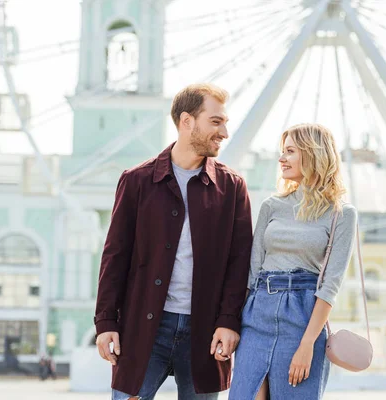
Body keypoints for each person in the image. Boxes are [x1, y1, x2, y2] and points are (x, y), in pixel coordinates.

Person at [94, 83, 253, 400]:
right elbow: (115, 255)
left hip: (206, 333)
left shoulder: (233, 187)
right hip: (142, 329)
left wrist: (228, 322)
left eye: (225, 123)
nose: (224, 132)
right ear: (187, 121)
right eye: (216, 121)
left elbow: (240, 263)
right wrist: (106, 321)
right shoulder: (137, 181)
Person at [229, 123, 358, 399]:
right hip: (257, 315)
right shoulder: (271, 206)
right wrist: (232, 322)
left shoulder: (342, 214)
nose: (281, 158)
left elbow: (329, 286)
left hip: (302, 319)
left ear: (312, 154)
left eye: (290, 151)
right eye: (282, 151)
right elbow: (252, 273)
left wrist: (307, 344)